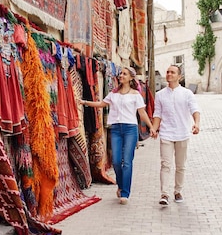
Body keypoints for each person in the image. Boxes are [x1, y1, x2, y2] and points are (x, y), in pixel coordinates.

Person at [80, 67, 156, 205]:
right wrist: (85, 102)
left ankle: (125, 193)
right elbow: (101, 104)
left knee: (127, 162)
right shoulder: (113, 93)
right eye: (120, 73)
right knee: (115, 160)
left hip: (130, 129)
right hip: (115, 129)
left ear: (131, 78)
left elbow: (142, 113)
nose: (121, 75)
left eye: (124, 74)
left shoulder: (136, 95)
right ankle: (120, 186)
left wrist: (151, 127)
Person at [152, 65, 200, 206]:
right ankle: (164, 194)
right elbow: (157, 114)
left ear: (179, 76)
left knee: (180, 166)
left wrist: (196, 123)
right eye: (167, 72)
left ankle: (177, 191)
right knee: (165, 165)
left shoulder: (187, 94)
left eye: (172, 72)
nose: (169, 74)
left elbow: (195, 109)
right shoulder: (160, 94)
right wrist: (154, 129)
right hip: (166, 133)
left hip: (182, 133)